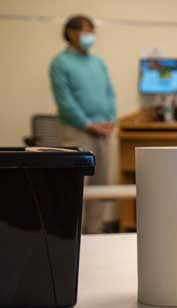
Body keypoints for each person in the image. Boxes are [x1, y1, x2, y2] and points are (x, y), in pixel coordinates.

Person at [50, 15, 116, 233]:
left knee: (101, 186)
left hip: (103, 132)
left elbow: (109, 93)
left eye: (91, 31)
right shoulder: (60, 63)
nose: (90, 36)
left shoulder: (98, 63)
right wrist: (88, 124)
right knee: (77, 187)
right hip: (77, 131)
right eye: (85, 31)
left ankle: (94, 232)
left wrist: (110, 119)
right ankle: (72, 236)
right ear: (71, 33)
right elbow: (65, 101)